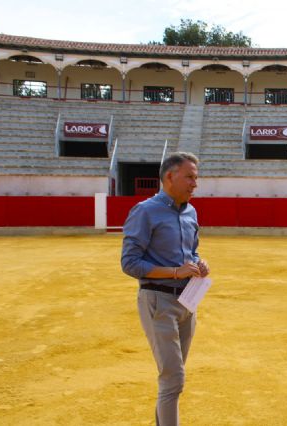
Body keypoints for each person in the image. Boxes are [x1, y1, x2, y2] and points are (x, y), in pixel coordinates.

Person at [121, 152, 209, 426]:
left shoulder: (191, 212)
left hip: (187, 301)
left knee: (171, 378)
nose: (195, 184)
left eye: (196, 178)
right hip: (158, 300)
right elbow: (129, 263)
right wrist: (174, 272)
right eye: (190, 177)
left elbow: (191, 251)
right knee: (174, 379)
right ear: (170, 176)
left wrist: (197, 264)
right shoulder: (145, 211)